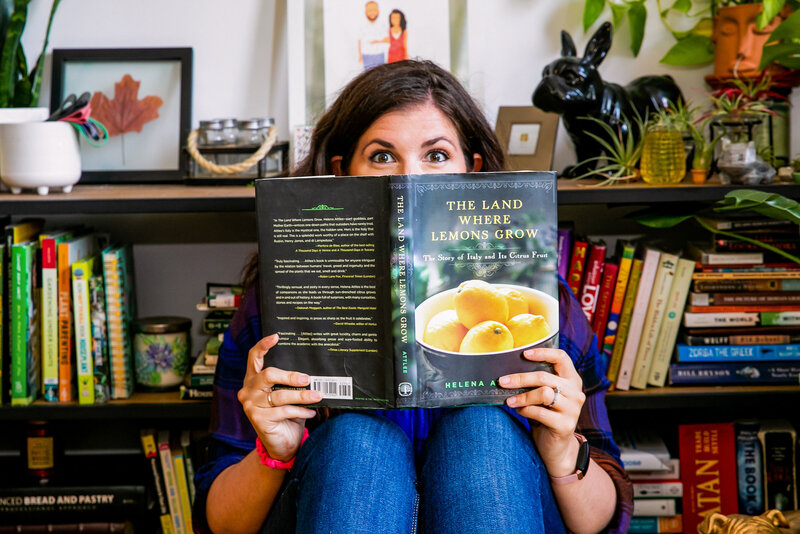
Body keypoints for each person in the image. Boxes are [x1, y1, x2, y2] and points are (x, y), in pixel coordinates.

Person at [193, 60, 633, 534]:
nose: (411, 178)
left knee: (481, 433)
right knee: (358, 440)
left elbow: (602, 520)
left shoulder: (542, 306)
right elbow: (219, 521)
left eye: (437, 155)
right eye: (382, 156)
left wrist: (563, 448)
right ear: (345, 173)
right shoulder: (278, 301)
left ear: (472, 170)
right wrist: (272, 452)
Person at [358, 1, 387, 70]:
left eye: (374, 10)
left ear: (378, 11)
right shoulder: (362, 27)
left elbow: (388, 39)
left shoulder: (382, 26)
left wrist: (378, 41)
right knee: (368, 74)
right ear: (366, 12)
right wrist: (360, 55)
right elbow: (359, 41)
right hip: (367, 55)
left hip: (379, 55)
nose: (372, 13)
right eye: (370, 10)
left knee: (380, 74)